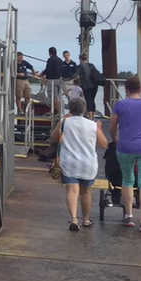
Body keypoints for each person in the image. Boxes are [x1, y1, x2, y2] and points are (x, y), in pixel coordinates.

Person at [109, 75, 141, 231]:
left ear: (126, 89)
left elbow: (112, 127)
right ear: (140, 89)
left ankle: (129, 215)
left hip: (126, 146)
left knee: (127, 179)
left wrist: (116, 139)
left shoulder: (120, 105)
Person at [49, 96, 108, 230]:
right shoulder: (92, 125)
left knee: (72, 190)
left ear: (70, 108)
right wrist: (99, 128)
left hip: (69, 162)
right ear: (84, 109)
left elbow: (53, 138)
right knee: (86, 191)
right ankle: (86, 219)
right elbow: (104, 144)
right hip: (88, 163)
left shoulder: (64, 122)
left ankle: (74, 219)